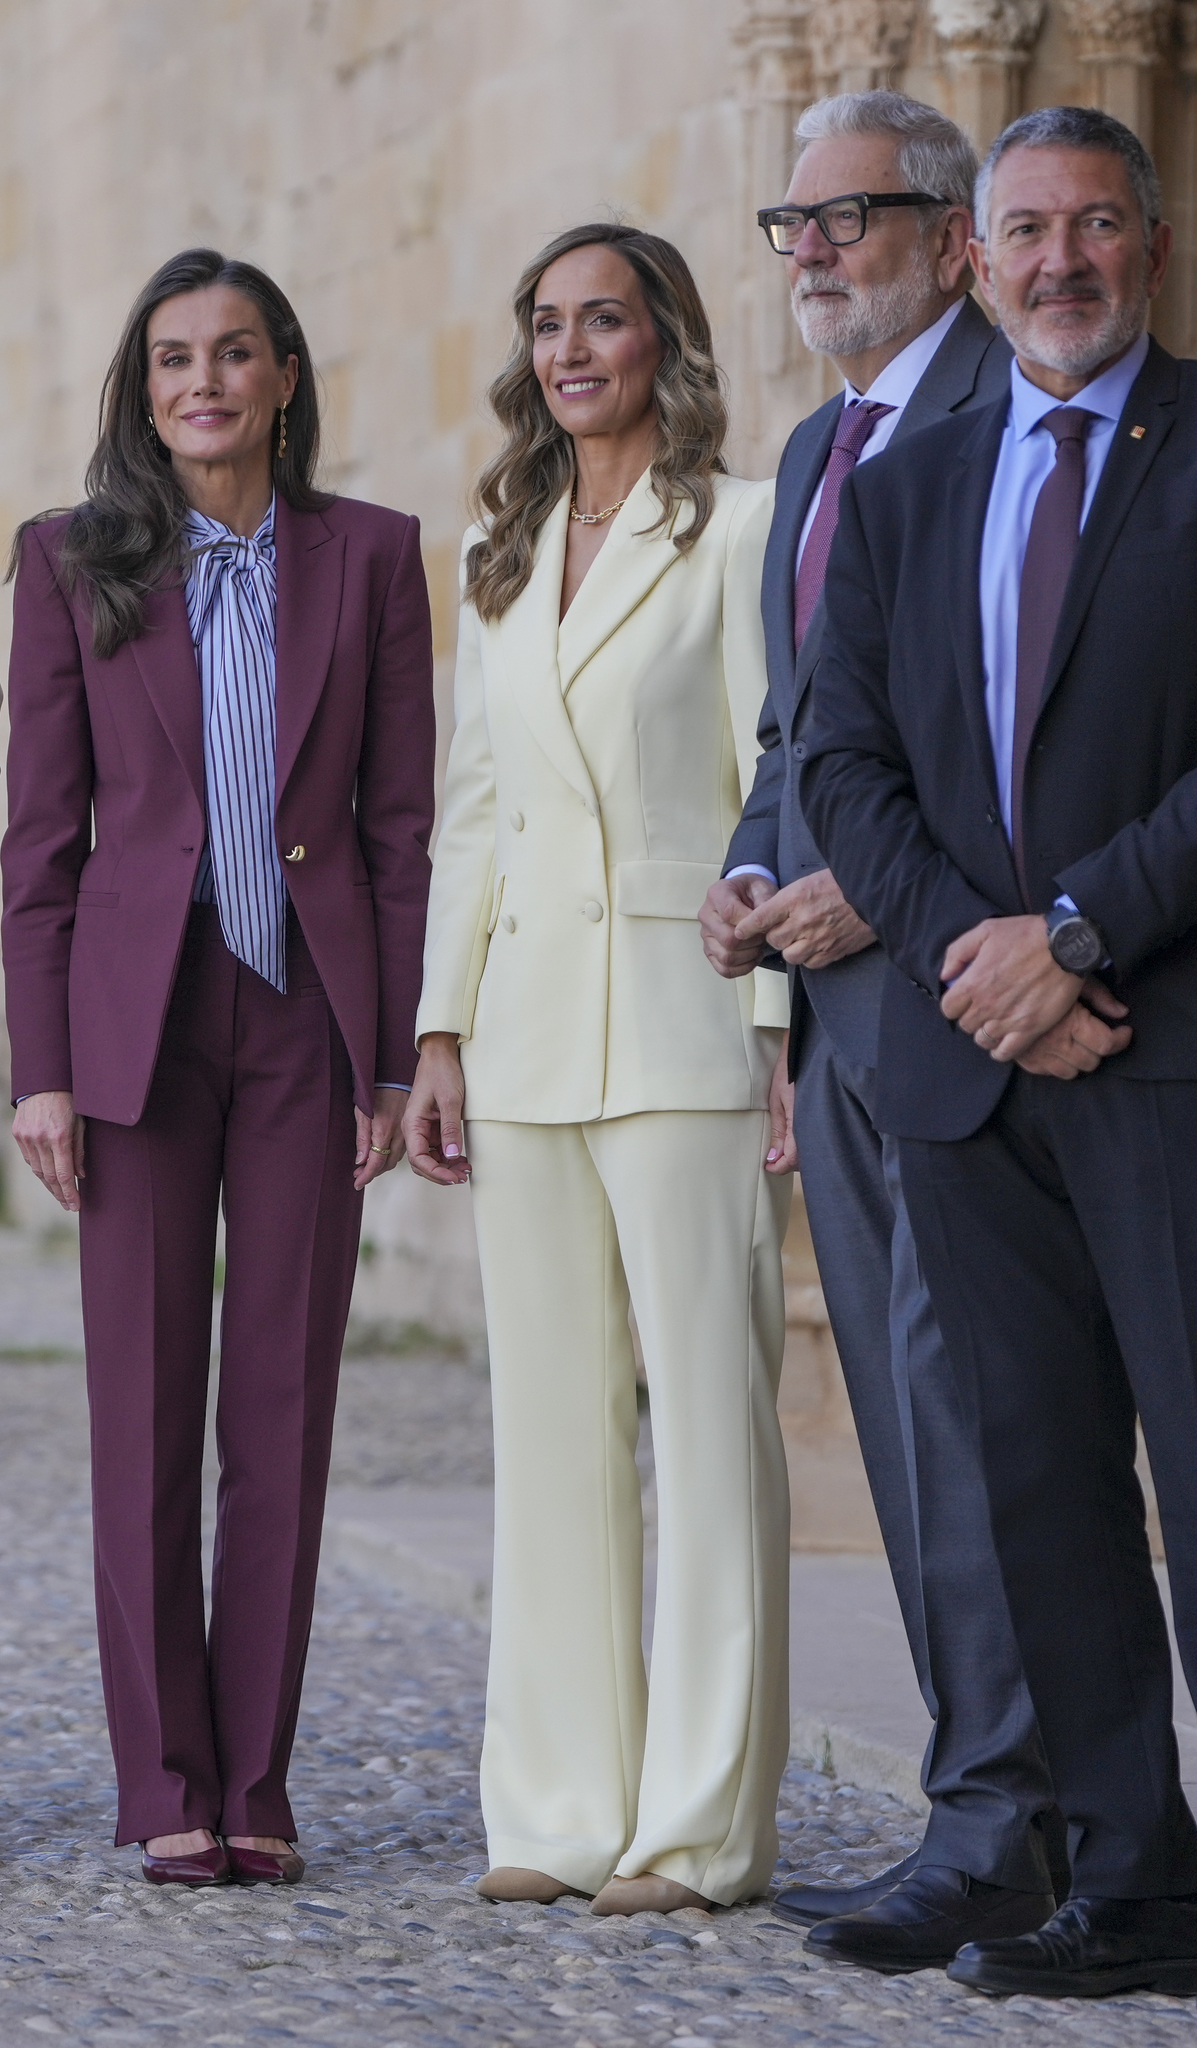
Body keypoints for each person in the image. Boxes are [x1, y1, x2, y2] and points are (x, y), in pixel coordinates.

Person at [798, 106, 1197, 2024]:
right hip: (975, 1065)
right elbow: (840, 761)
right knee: (1039, 1486)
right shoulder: (902, 485)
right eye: (1025, 231)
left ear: (1156, 241)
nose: (1061, 263)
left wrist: (1077, 938)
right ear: (973, 257)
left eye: (1096, 227)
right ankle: (1132, 1885)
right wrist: (984, 962)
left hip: (1186, 1045)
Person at [2, 249, 433, 1888]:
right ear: (146, 387)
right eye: (175, 357)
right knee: (144, 1407)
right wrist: (43, 1066)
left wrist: (391, 1056)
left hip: (307, 1025)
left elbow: (397, 829)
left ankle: (257, 1774)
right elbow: (43, 838)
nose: (205, 383)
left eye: (235, 354)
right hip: (139, 1024)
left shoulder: (372, 558)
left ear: (285, 378)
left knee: (282, 1405)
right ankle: (161, 1778)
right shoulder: (71, 561)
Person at [697, 93, 1062, 1973]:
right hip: (832, 1014)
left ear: (951, 237)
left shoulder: (1017, 423)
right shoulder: (819, 443)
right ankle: (986, 1798)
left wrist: (872, 888)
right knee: (912, 1442)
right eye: (795, 222)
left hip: (964, 995)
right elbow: (798, 729)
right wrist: (758, 893)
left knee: (978, 1420)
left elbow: (1033, 724)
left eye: (852, 218)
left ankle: (1014, 1820)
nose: (815, 251)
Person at [402, 223, 788, 1917]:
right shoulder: (506, 544)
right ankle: (556, 1813)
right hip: (527, 1027)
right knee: (549, 1433)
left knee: (711, 1433)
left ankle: (700, 1826)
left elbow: (781, 777)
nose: (573, 352)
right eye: (548, 324)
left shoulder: (747, 528)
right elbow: (473, 804)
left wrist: (781, 1029)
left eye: (605, 321)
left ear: (666, 342)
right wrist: (439, 1029)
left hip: (691, 1015)